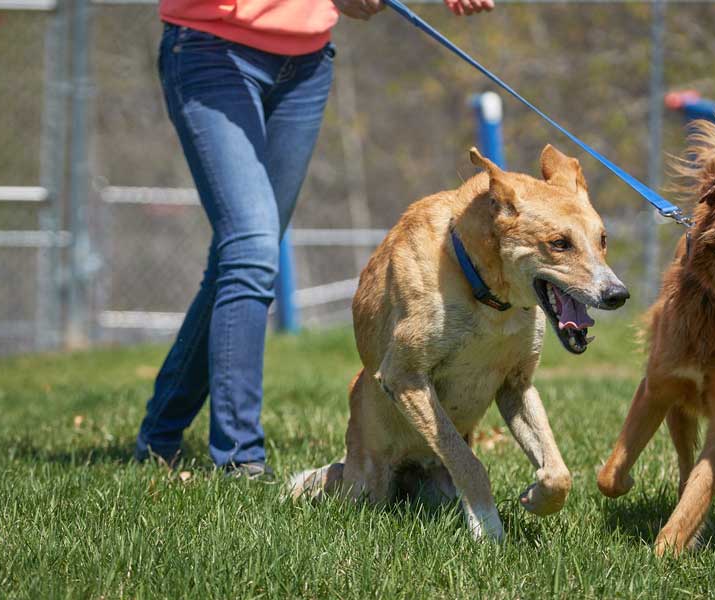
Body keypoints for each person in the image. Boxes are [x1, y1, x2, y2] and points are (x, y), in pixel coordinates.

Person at [135, 0, 495, 479]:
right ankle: (240, 459)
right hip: (211, 51)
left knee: (242, 258)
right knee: (251, 250)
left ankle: (160, 435)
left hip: (304, 65)